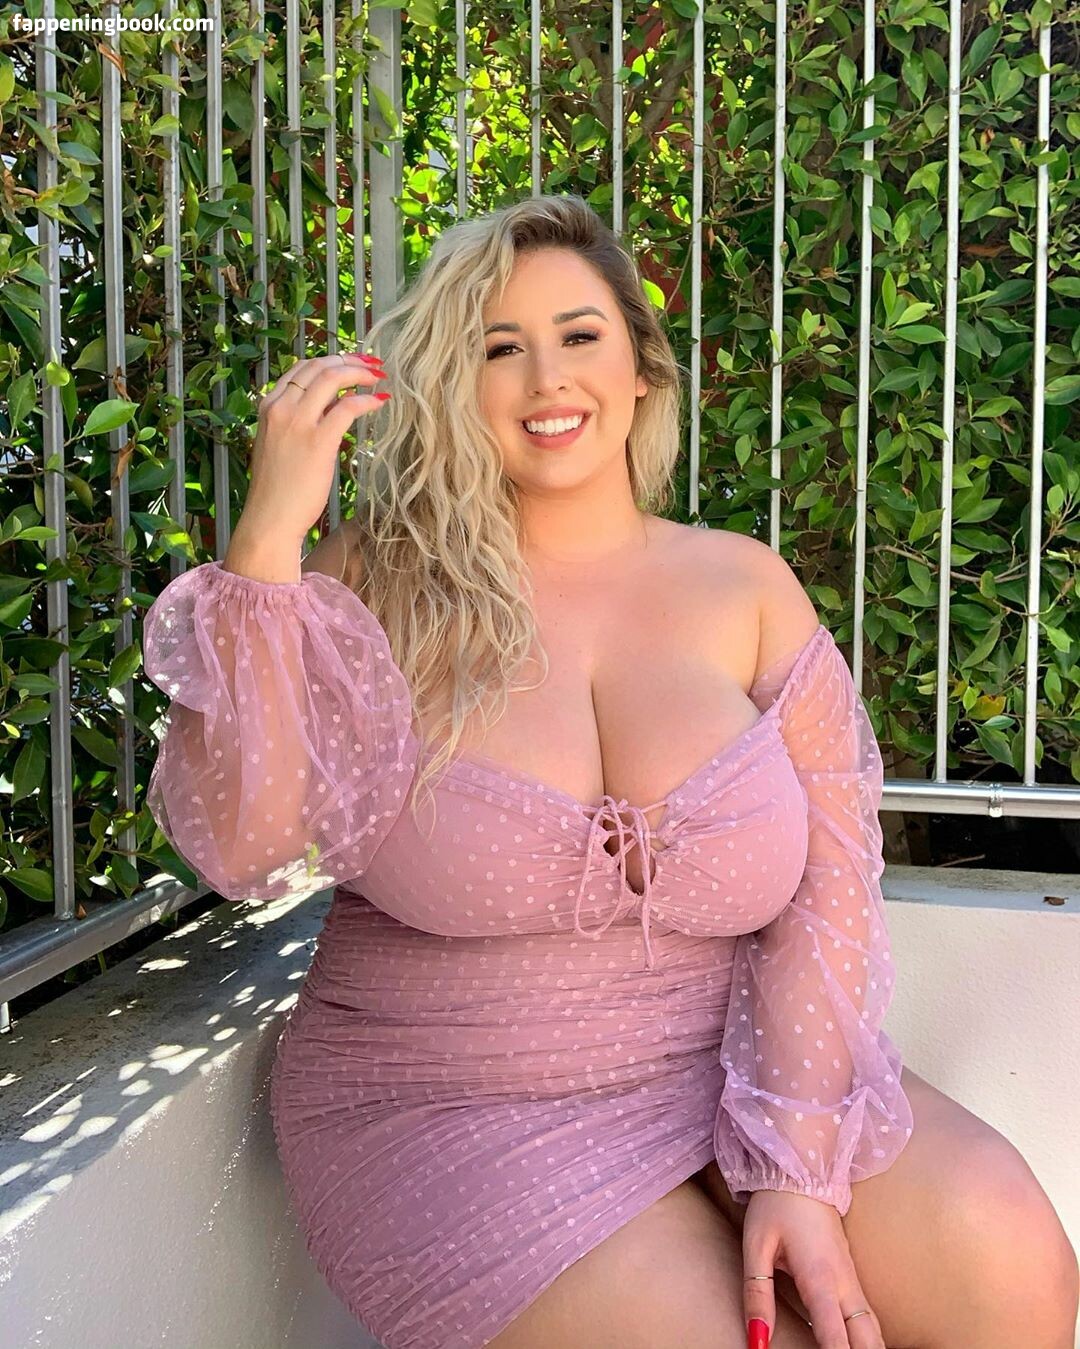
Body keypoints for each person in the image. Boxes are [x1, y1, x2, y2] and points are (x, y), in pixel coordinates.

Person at [142, 195, 1078, 1349]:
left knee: (1008, 1261)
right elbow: (244, 844)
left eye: (579, 334)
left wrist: (792, 1160)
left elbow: (831, 884)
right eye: (499, 346)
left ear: (641, 367)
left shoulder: (746, 586)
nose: (547, 377)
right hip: (453, 1099)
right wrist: (267, 544)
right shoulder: (368, 582)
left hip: (726, 1058)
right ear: (456, 383)